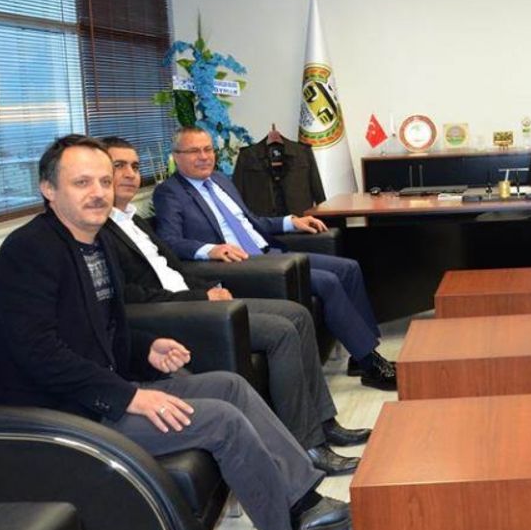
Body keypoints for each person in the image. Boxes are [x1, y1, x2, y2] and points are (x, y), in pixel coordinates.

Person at [0, 135, 352, 530]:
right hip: (66, 413)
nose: (98, 192)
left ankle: (306, 499)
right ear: (48, 189)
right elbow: (38, 353)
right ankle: (295, 523)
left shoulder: (96, 243)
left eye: (104, 181)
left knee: (230, 386)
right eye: (82, 183)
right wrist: (129, 397)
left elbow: (103, 329)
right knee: (221, 420)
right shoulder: (28, 252)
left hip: (103, 390)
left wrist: (146, 348)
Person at [100, 136, 369, 475]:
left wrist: (208, 288)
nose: (129, 174)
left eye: (135, 166)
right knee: (282, 331)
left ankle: (323, 423)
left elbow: (173, 269)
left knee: (299, 315)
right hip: (176, 315)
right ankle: (308, 446)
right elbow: (134, 292)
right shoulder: (102, 230)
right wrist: (201, 296)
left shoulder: (133, 219)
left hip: (195, 297)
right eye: (118, 166)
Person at [153, 127, 396, 391]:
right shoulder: (169, 192)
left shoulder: (221, 180)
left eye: (208, 149)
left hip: (269, 252)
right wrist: (209, 249)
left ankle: (361, 355)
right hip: (243, 265)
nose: (203, 157)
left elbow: (252, 222)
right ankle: (371, 365)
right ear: (176, 156)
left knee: (348, 268)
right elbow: (168, 241)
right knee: (327, 282)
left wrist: (291, 222)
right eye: (194, 151)